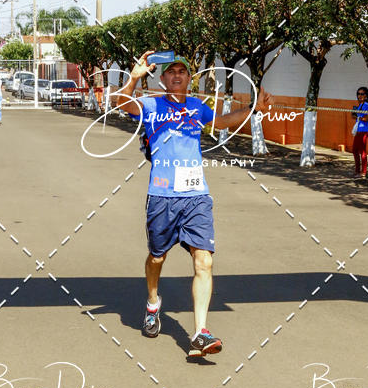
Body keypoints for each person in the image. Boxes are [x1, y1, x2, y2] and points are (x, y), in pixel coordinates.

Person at [116, 51, 272, 356]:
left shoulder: (197, 106)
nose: (177, 75)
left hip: (196, 196)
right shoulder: (151, 105)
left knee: (205, 261)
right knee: (157, 258)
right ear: (161, 79)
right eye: (171, 72)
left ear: (189, 79)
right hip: (162, 196)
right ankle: (152, 302)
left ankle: (201, 332)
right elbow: (120, 103)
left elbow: (222, 121)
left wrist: (254, 109)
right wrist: (134, 77)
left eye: (183, 72)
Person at [351, 86, 368, 178]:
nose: (360, 96)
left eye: (362, 94)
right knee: (355, 150)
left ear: (366, 95)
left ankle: (363, 172)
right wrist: (354, 115)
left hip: (363, 130)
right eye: (358, 94)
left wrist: (358, 117)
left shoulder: (367, 105)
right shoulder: (360, 105)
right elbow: (356, 117)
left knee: (362, 151)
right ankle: (357, 171)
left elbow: (366, 118)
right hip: (358, 130)